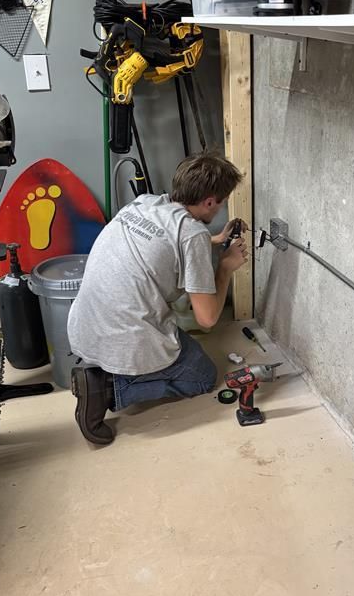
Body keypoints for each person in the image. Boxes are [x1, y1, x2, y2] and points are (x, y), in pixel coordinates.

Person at [68, 154, 248, 445]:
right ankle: (108, 387)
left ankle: (108, 369)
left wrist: (211, 241)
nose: (223, 207)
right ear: (211, 202)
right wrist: (225, 267)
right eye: (223, 201)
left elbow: (165, 243)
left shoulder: (145, 203)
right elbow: (207, 319)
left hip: (85, 324)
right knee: (203, 377)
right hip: (125, 333)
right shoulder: (192, 236)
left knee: (178, 343)